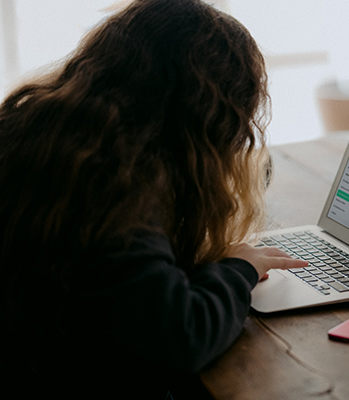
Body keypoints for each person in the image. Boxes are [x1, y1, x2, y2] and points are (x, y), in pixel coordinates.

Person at [0, 0, 307, 398]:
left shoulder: (43, 131)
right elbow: (181, 337)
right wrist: (239, 269)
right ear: (207, 118)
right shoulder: (115, 190)